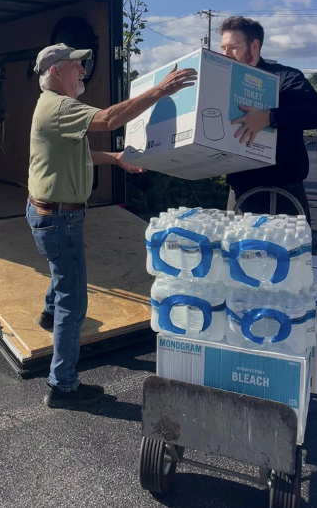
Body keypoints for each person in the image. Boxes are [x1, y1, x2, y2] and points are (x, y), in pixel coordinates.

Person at [27, 43, 197, 408]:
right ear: (56, 71)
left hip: (48, 214)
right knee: (75, 301)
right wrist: (161, 90)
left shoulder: (51, 109)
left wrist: (116, 158)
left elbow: (79, 152)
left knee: (62, 276)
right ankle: (63, 386)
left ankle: (47, 314)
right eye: (76, 66)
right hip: (58, 218)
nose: (82, 72)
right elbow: (107, 120)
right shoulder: (59, 106)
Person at [219, 16, 317, 220]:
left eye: (233, 47)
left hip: (284, 193)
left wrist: (270, 117)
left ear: (254, 45)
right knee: (238, 250)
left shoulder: (285, 77)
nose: (227, 54)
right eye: (223, 48)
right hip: (241, 192)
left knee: (290, 251)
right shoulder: (221, 82)